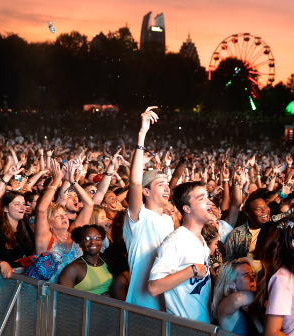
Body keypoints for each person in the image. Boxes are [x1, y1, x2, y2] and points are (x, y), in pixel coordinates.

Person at [124, 108, 174, 310]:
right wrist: (142, 134)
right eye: (160, 184)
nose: (167, 188)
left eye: (167, 184)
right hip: (142, 305)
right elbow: (135, 183)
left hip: (168, 302)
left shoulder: (168, 220)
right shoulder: (139, 217)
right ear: (146, 191)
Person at [148, 181, 214, 323]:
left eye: (208, 197)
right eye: (201, 198)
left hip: (202, 323)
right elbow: (153, 287)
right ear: (187, 208)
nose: (209, 202)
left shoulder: (201, 239)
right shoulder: (176, 241)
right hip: (183, 326)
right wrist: (193, 270)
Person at [34, 159, 89, 283]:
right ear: (49, 223)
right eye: (58, 216)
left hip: (78, 294)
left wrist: (73, 181)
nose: (64, 217)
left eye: (64, 214)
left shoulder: (74, 234)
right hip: (51, 296)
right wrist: (56, 180)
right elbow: (42, 209)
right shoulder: (45, 239)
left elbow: (89, 205)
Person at [0, 190, 34, 278]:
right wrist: (0, 264)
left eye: (23, 204)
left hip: (25, 284)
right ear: (6, 209)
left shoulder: (27, 230)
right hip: (1, 286)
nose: (23, 208)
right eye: (17, 204)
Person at [58, 225, 113, 296]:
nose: (93, 242)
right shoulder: (72, 269)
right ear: (80, 243)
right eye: (87, 238)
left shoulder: (107, 263)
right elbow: (64, 301)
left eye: (97, 238)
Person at [211, 259, 262, 336]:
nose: (252, 279)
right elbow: (237, 299)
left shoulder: (254, 306)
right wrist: (265, 295)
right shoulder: (225, 305)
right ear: (231, 284)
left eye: (252, 275)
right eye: (246, 275)